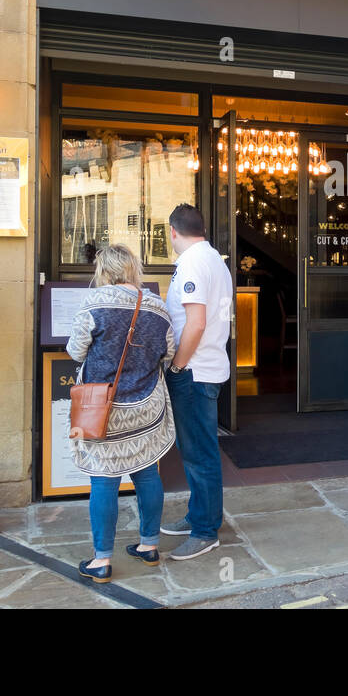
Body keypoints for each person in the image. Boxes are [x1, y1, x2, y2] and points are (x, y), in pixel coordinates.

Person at [66, 244, 175, 583]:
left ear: (104, 271)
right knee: (146, 475)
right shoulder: (157, 306)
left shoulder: (94, 303)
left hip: (103, 409)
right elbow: (168, 353)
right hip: (145, 406)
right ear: (133, 269)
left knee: (104, 479)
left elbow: (75, 350)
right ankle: (149, 545)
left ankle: (101, 560)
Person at [160, 203, 234, 560]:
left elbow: (196, 322)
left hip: (194, 370)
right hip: (208, 366)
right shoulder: (216, 261)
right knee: (197, 451)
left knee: (199, 453)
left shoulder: (191, 263)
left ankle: (205, 531)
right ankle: (199, 517)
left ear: (173, 231)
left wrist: (177, 365)